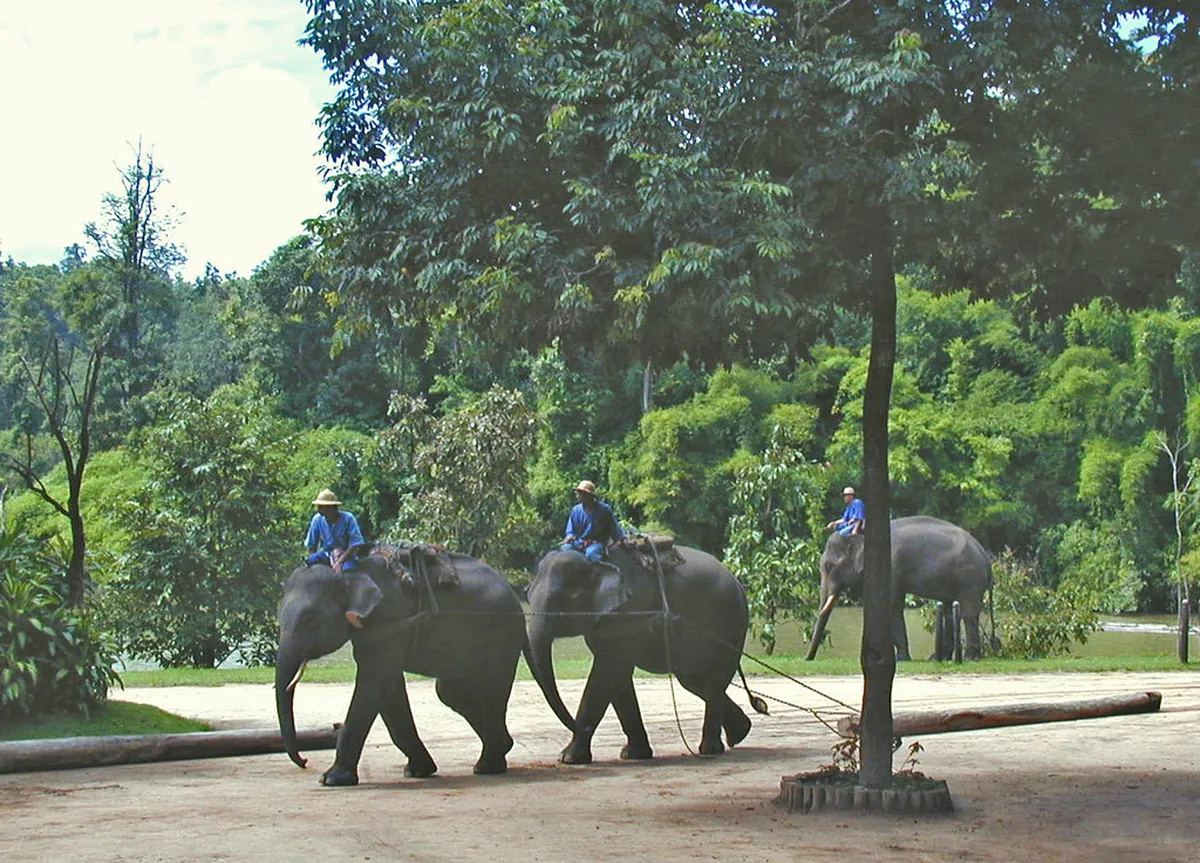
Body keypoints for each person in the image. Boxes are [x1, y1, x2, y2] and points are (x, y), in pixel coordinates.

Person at [559, 480, 624, 563]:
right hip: (578, 543)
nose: (578, 496)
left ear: (589, 496)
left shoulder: (604, 510)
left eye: (581, 493)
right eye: (578, 493)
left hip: (596, 544)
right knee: (565, 549)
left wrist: (620, 541)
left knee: (591, 554)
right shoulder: (576, 510)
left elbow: (615, 530)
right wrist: (570, 536)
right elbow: (570, 530)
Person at [306, 489, 366, 572]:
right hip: (327, 554)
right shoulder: (317, 519)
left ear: (330, 507)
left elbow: (355, 544)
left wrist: (339, 562)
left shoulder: (348, 518)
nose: (319, 510)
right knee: (312, 560)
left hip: (346, 555)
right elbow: (312, 544)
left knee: (348, 571)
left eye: (321, 507)